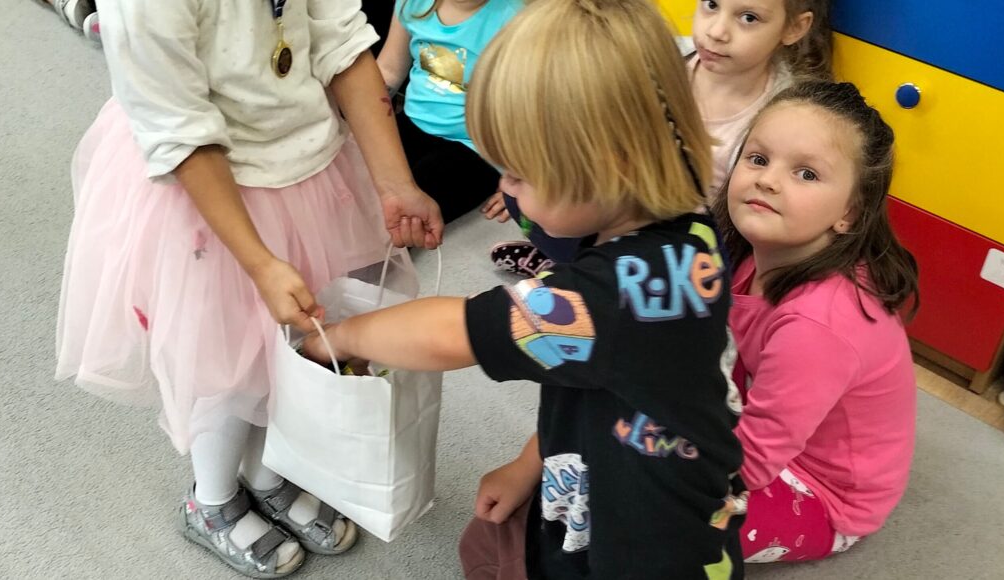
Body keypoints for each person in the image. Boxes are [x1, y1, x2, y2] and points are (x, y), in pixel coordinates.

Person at [305, 1, 747, 577]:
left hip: (644, 553)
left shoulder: (620, 292)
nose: (506, 191)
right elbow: (599, 374)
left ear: (611, 167)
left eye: (517, 173)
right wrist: (528, 465)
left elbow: (452, 333)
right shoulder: (674, 221)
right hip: (597, 467)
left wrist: (343, 337)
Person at [54, 1, 443, 577]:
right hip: (208, 190)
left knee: (291, 343)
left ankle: (267, 473)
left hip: (308, 161)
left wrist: (394, 182)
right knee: (226, 358)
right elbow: (179, 128)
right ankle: (211, 498)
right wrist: (260, 263)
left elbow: (340, 39)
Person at [712, 80, 919, 563]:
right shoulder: (755, 254)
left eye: (805, 173)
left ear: (850, 213)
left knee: (665, 518)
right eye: (758, 158)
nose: (767, 180)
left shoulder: (817, 324)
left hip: (822, 495)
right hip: (765, 427)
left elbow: (753, 460)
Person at [486, 0, 831, 277]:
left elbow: (756, 219)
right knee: (520, 199)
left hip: (686, 242)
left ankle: (577, 275)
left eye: (749, 18)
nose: (716, 31)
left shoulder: (784, 116)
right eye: (711, 4)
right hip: (631, 201)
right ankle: (571, 266)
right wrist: (537, 181)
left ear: (794, 28)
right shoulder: (668, 57)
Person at [376, 0, 523, 224]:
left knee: (412, 208)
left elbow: (533, 107)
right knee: (365, 184)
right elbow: (389, 70)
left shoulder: (516, 17)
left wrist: (523, 181)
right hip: (414, 122)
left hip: (477, 146)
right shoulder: (412, 3)